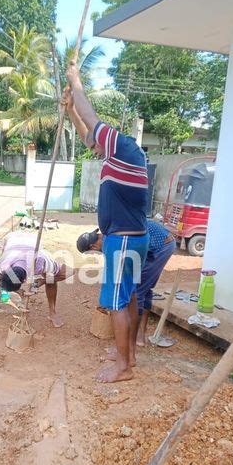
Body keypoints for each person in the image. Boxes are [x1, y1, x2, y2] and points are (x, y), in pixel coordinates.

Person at [65, 64, 149, 384]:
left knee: (116, 302)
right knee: (127, 298)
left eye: (99, 142)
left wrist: (76, 83)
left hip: (124, 240)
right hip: (132, 239)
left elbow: (92, 121)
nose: (94, 147)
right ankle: (127, 355)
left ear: (109, 139)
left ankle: (123, 367)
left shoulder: (123, 147)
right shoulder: (123, 157)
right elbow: (88, 134)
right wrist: (71, 108)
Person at [77, 219, 176, 357]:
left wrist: (111, 297)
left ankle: (131, 343)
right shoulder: (108, 234)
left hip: (161, 246)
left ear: (92, 247)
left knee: (137, 292)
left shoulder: (110, 243)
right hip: (161, 243)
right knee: (144, 288)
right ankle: (140, 336)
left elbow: (116, 271)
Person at [0, 231, 73, 328]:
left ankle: (52, 313)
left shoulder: (41, 263)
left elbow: (70, 271)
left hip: (32, 241)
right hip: (12, 238)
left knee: (50, 276)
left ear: (23, 281)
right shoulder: (3, 266)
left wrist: (43, 281)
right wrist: (18, 291)